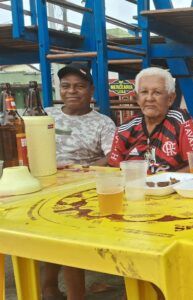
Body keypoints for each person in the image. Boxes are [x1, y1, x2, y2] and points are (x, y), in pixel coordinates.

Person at [43, 63, 116, 300]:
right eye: (66, 86)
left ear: (91, 90)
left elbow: (112, 156)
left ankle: (75, 295)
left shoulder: (102, 122)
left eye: (79, 86)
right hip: (43, 183)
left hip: (81, 188)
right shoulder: (44, 115)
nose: (72, 91)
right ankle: (49, 288)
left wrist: (85, 169)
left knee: (67, 235)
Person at [108, 67, 193, 174]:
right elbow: (113, 169)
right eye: (144, 92)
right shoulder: (126, 127)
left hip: (172, 187)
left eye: (157, 92)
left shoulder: (181, 120)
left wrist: (164, 182)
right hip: (134, 187)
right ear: (137, 98)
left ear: (170, 98)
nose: (149, 98)